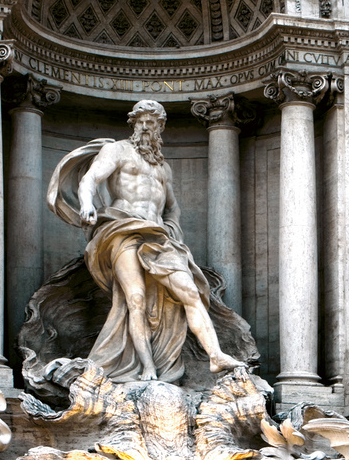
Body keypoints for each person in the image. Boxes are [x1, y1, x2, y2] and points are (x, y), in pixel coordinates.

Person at [67, 100, 246, 382]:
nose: (147, 126)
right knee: (135, 298)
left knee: (190, 291)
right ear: (133, 123)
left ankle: (215, 355)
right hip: (123, 229)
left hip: (159, 236)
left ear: (161, 127)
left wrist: (173, 228)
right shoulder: (117, 150)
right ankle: (147, 367)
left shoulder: (163, 167)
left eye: (153, 122)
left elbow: (172, 206)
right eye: (142, 121)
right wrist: (87, 204)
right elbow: (90, 179)